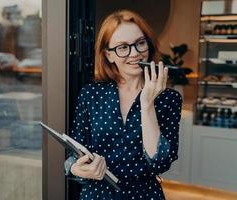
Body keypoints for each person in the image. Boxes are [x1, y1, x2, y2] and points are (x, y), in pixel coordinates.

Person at [64, 9, 182, 200]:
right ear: (109, 55)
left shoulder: (169, 99)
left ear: (149, 45)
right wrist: (76, 168)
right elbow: (74, 155)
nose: (135, 53)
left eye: (140, 43)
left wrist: (147, 103)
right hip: (96, 195)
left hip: (145, 195)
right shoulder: (91, 94)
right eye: (123, 47)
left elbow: (159, 163)